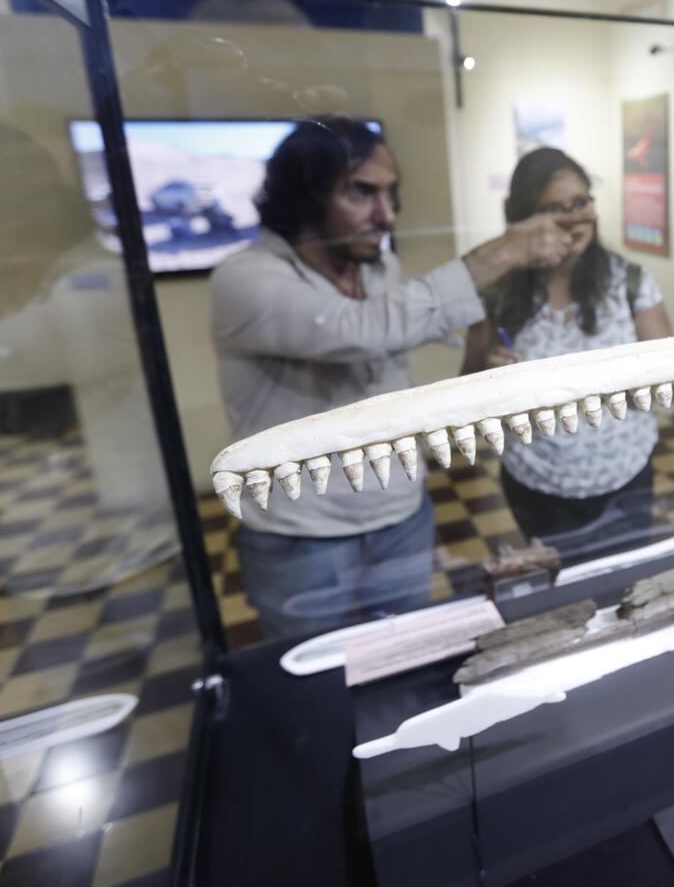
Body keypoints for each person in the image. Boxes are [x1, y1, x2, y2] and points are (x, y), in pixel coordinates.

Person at [211, 117, 573, 640]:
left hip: (400, 514)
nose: (386, 214)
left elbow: (394, 344)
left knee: (401, 658)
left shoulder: (380, 269)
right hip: (303, 532)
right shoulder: (244, 278)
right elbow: (361, 332)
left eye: (390, 194)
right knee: (318, 688)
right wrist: (505, 251)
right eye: (361, 193)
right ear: (304, 195)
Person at [462, 147, 672, 545]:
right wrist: (488, 376)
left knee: (623, 583)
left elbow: (670, 380)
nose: (576, 219)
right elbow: (467, 386)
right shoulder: (498, 293)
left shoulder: (630, 283)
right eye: (557, 208)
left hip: (624, 472)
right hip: (535, 478)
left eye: (582, 202)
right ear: (525, 219)